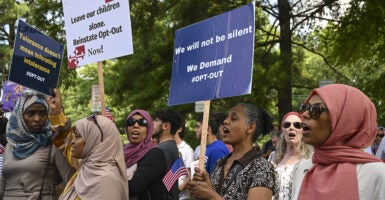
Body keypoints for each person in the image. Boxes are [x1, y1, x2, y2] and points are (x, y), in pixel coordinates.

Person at [291, 84, 385, 200]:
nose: (304, 114)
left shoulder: (377, 174)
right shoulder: (302, 168)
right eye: (304, 108)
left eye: (315, 110)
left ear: (345, 119)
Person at [47, 89, 128, 200]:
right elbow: (65, 143)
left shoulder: (105, 181)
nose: (73, 141)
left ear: (94, 142)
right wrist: (56, 113)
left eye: (79, 136)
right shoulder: (88, 166)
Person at [189, 103, 276, 199]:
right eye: (226, 117)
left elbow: (213, 196)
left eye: (234, 118)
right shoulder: (220, 163)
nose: (225, 121)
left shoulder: (262, 167)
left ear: (250, 127)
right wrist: (205, 187)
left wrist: (210, 195)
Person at [0, 91, 75, 199]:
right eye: (31, 113)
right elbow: (3, 185)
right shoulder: (11, 146)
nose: (37, 118)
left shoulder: (54, 144)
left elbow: (71, 181)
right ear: (20, 115)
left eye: (43, 113)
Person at [124, 109, 170, 199]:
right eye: (131, 122)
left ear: (149, 129)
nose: (135, 125)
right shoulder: (121, 152)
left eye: (142, 122)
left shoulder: (155, 154)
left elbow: (135, 187)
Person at [267, 112, 312, 200]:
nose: (291, 127)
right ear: (282, 130)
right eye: (286, 125)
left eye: (297, 125)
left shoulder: (311, 159)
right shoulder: (273, 158)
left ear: (303, 130)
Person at [152, 109, 181, 200]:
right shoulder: (172, 146)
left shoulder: (161, 150)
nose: (152, 123)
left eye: (156, 121)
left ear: (165, 126)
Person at [174, 114, 194, 200]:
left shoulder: (187, 150)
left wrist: (178, 190)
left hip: (181, 197)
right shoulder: (164, 147)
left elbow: (190, 176)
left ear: (180, 129)